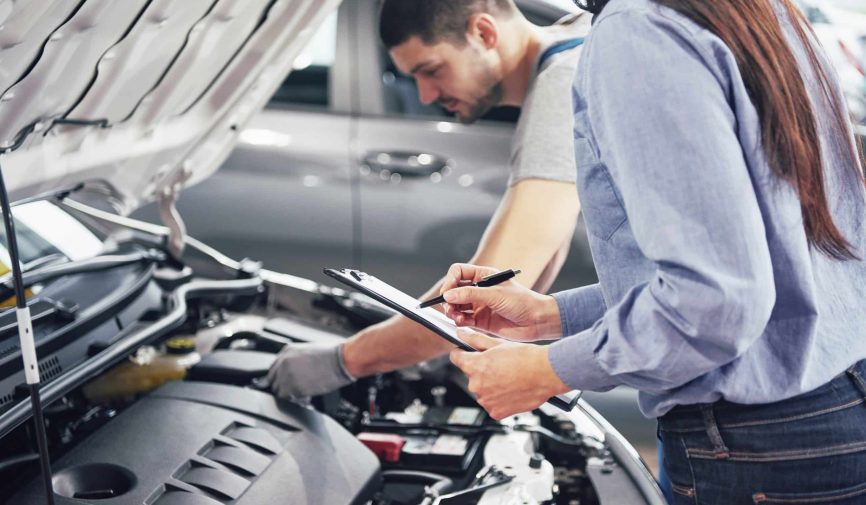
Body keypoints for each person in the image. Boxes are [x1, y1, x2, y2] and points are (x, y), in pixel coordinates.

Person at [439, 0, 866, 501]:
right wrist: (550, 316)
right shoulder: (749, 9)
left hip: (758, 448)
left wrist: (547, 370)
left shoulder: (637, 33)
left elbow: (714, 300)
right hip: (835, 405)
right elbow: (762, 263)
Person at [268, 1, 591, 397]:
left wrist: (344, 359)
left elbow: (492, 283)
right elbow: (534, 262)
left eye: (432, 70)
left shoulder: (563, 84)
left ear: (484, 34)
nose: (424, 96)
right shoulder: (577, 35)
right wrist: (453, 340)